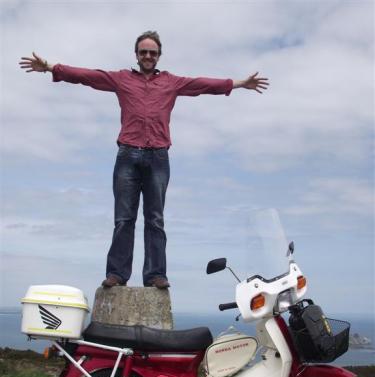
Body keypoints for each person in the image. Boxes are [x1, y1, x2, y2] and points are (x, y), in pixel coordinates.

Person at [19, 31, 269, 289]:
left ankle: (155, 275)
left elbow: (204, 85)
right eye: (143, 52)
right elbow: (87, 76)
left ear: (159, 55)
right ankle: (116, 274)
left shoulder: (172, 82)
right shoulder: (121, 79)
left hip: (158, 158)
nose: (148, 56)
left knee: (155, 220)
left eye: (153, 52)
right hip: (127, 155)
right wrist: (50, 67)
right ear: (136, 55)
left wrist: (239, 84)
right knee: (124, 220)